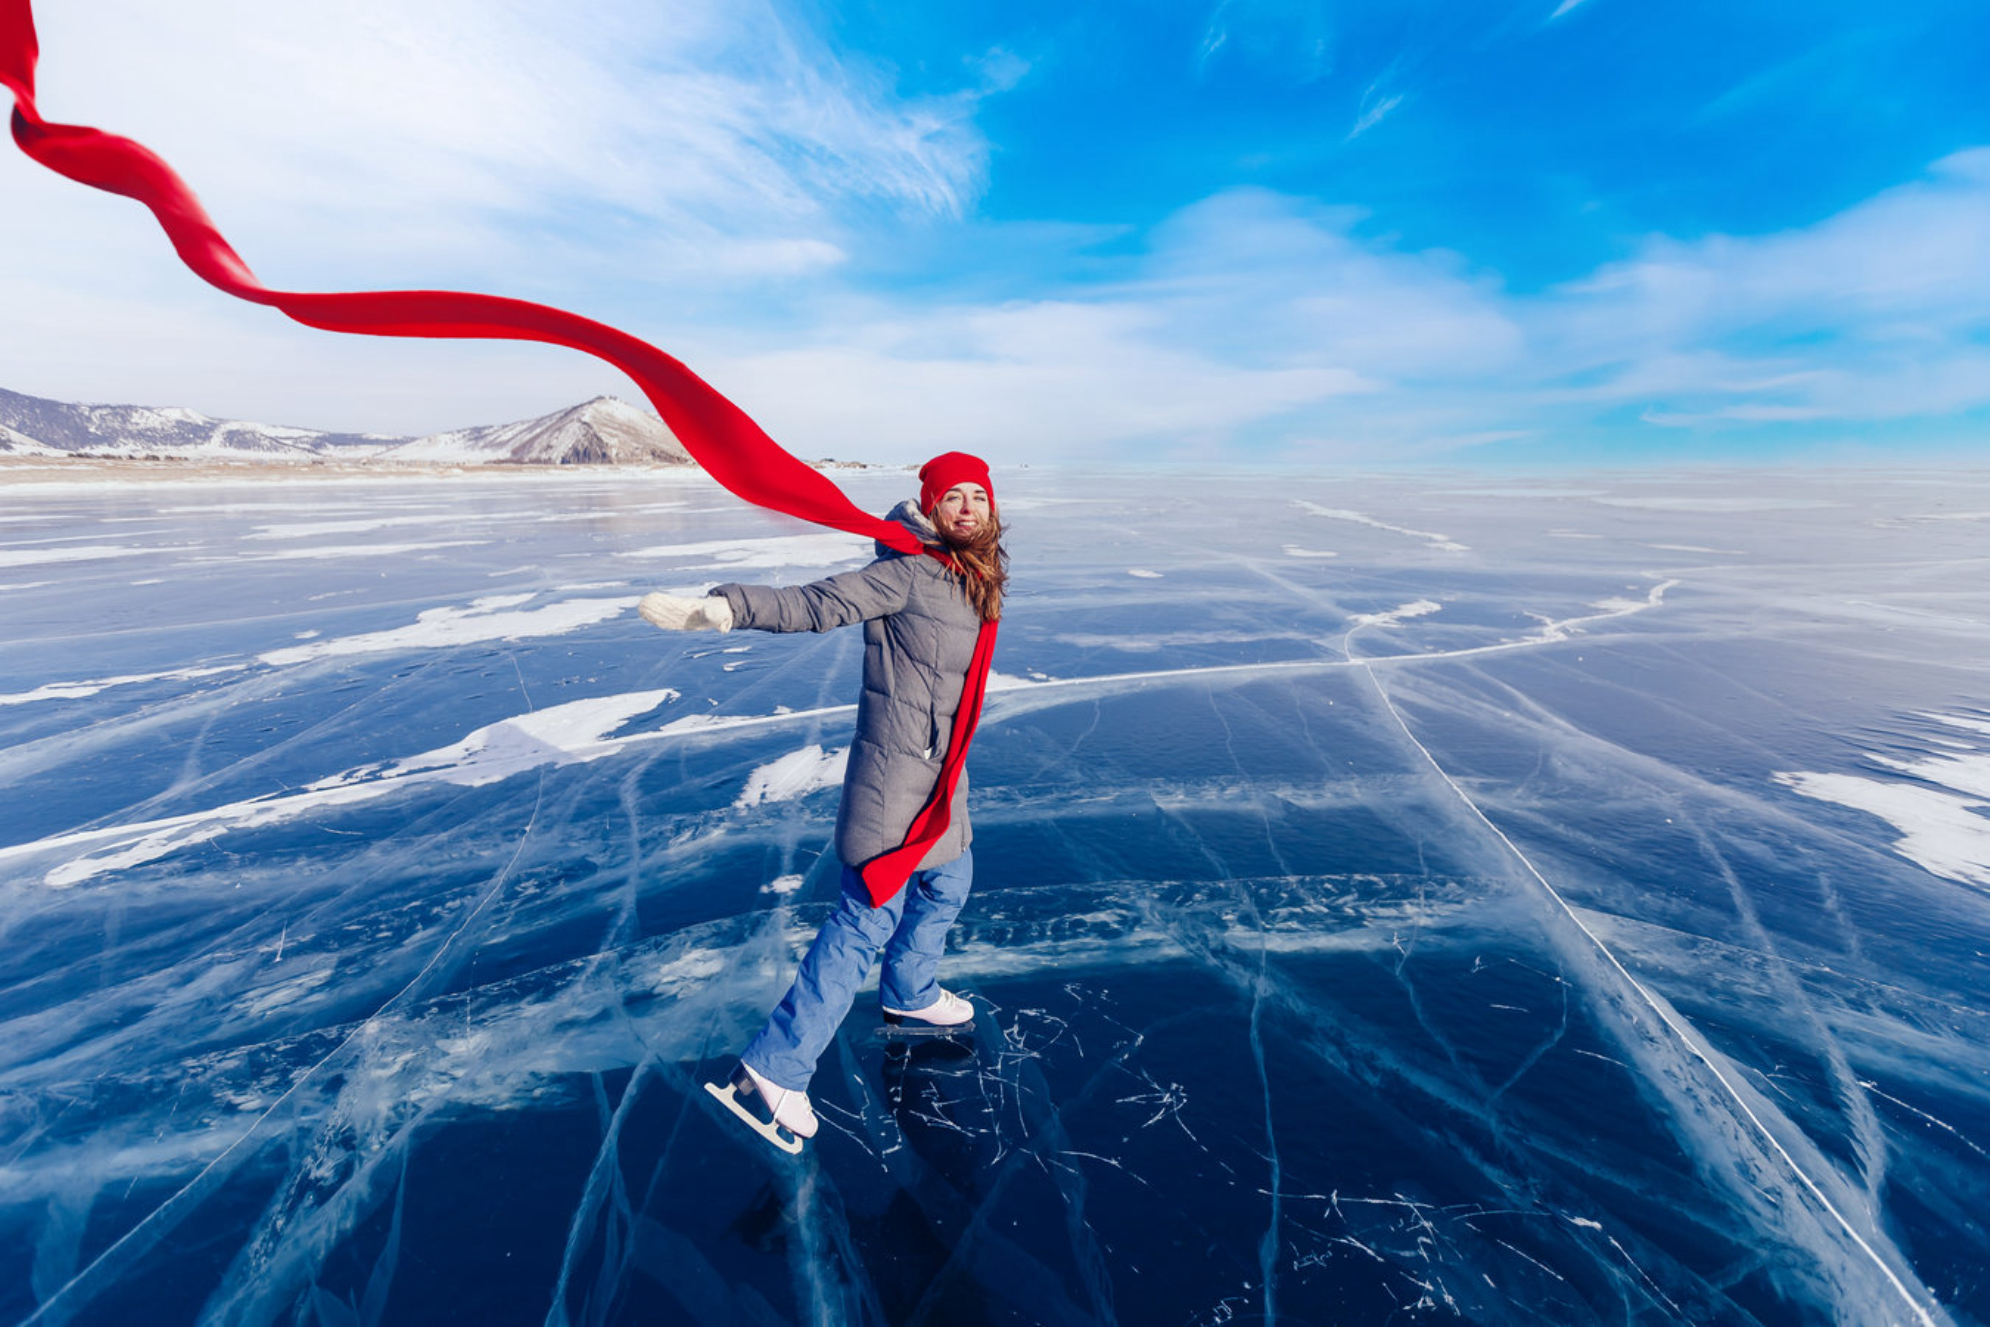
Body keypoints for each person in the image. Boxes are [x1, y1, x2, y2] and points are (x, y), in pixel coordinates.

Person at [637, 451, 1007, 1148]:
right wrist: (725, 607)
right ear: (928, 507)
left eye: (976, 497)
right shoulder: (906, 571)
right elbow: (819, 602)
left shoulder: (975, 574)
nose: (965, 507)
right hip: (897, 785)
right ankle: (775, 1068)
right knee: (865, 918)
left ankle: (910, 989)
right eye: (951, 497)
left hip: (941, 779)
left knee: (950, 879)